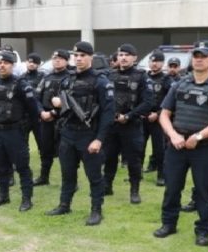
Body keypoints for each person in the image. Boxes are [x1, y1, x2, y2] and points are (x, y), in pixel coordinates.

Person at [154, 39, 208, 246]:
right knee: (172, 187)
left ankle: (203, 230)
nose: (199, 59)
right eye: (196, 56)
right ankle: (168, 224)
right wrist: (173, 135)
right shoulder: (180, 84)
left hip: (204, 148)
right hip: (177, 145)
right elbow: (164, 114)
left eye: (204, 56)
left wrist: (198, 137)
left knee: (203, 190)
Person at [45, 40, 114, 226]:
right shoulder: (68, 79)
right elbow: (61, 106)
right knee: (67, 173)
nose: (78, 59)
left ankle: (96, 210)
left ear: (91, 57)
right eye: (76, 55)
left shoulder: (101, 82)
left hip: (89, 135)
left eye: (82, 55)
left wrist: (99, 139)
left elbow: (108, 114)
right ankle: (64, 204)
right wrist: (58, 103)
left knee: (94, 176)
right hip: (68, 134)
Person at [0, 51, 42, 211]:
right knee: (1, 166)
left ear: (12, 65)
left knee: (22, 166)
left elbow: (32, 109)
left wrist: (25, 128)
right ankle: (2, 195)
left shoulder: (21, 84)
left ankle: (26, 199)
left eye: (6, 63)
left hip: (15, 132)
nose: (2, 65)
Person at [103, 43, 153, 204]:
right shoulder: (109, 75)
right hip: (112, 125)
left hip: (132, 125)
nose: (123, 58)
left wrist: (129, 116)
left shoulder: (142, 76)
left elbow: (148, 102)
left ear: (134, 57)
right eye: (121, 55)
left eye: (127, 55)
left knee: (133, 160)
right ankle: (107, 186)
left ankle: (134, 190)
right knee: (109, 157)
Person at [34, 49, 71, 185]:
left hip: (63, 120)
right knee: (45, 149)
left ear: (66, 61)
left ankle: (69, 180)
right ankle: (44, 177)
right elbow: (36, 97)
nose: (57, 60)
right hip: (45, 119)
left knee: (65, 152)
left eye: (60, 58)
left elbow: (71, 101)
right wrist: (41, 113)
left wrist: (53, 113)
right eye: (55, 58)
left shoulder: (70, 78)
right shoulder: (47, 77)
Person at [142, 50, 172, 186]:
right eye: (152, 61)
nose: (154, 64)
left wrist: (158, 114)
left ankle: (162, 175)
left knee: (159, 149)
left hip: (159, 119)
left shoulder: (167, 80)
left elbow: (170, 101)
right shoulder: (144, 77)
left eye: (157, 61)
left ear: (162, 63)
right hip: (143, 117)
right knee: (138, 147)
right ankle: (136, 174)